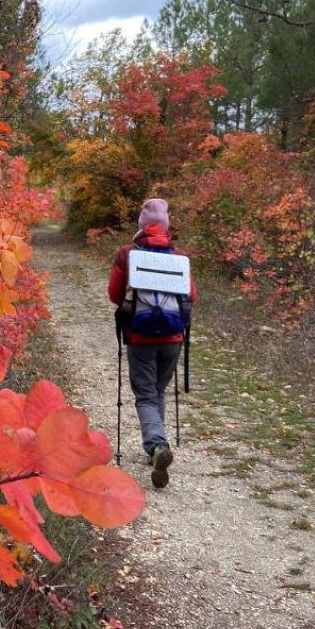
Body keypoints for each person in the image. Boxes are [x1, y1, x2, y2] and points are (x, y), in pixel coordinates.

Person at [107, 199, 195, 489]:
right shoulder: (179, 256)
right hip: (173, 337)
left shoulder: (127, 254)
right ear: (166, 225)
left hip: (141, 336)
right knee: (157, 390)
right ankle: (158, 445)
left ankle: (157, 446)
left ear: (141, 225)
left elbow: (114, 294)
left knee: (145, 394)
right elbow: (190, 296)